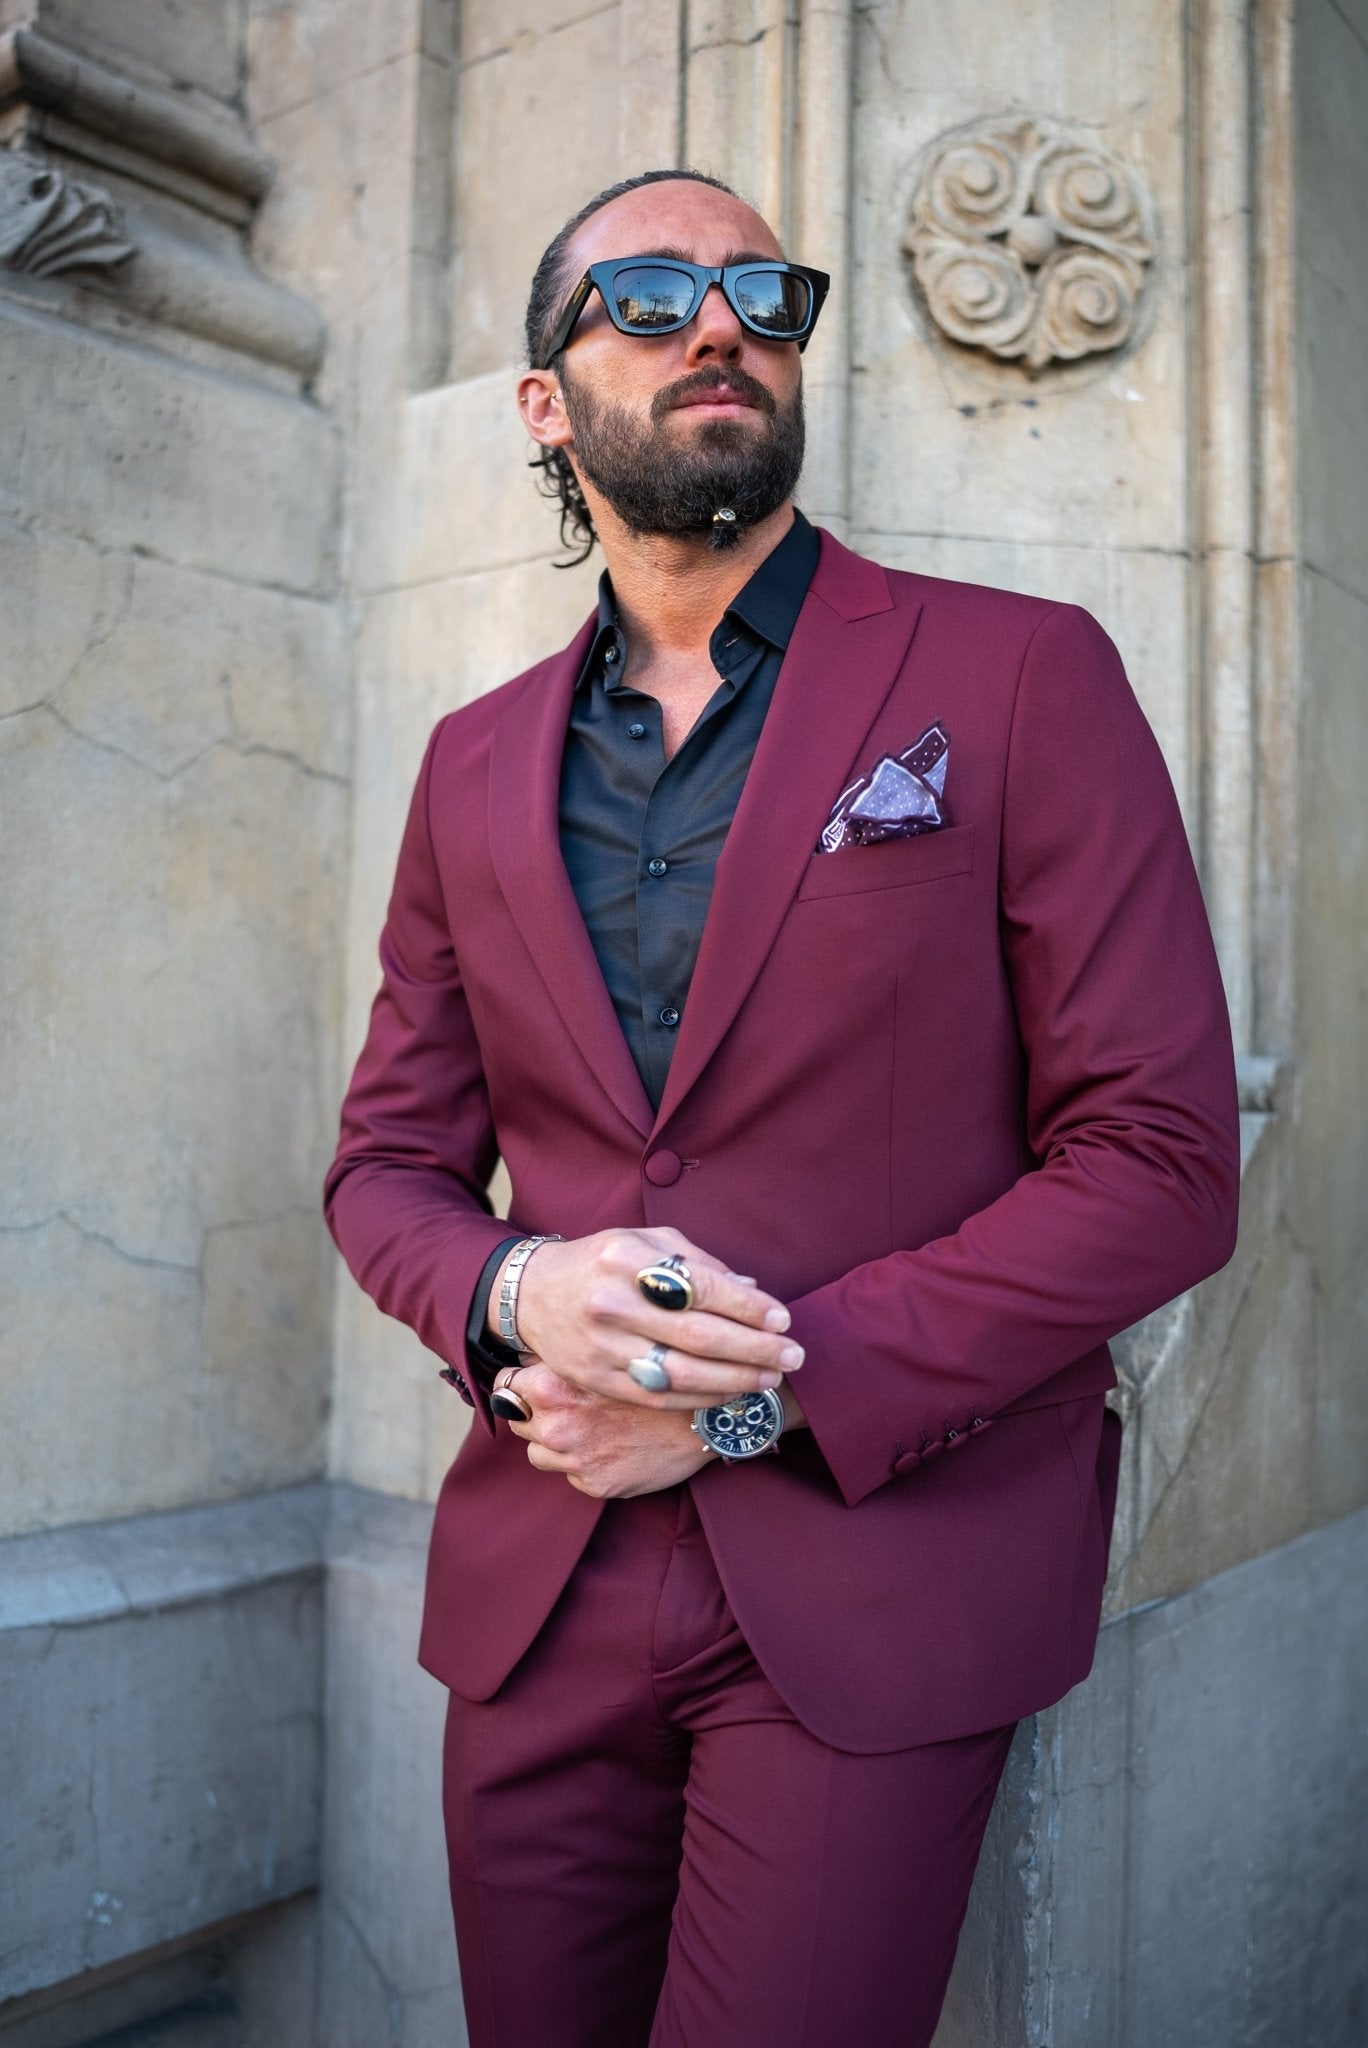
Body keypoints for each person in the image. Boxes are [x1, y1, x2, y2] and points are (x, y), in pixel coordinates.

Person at [324, 167, 1240, 2048]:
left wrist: (751, 1394)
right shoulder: (470, 764)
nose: (719, 321)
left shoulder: (1014, 675)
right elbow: (390, 1169)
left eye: (760, 288)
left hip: (879, 1577)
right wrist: (518, 1298)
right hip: (544, 1582)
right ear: (546, 400)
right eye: (648, 298)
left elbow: (1160, 1167)